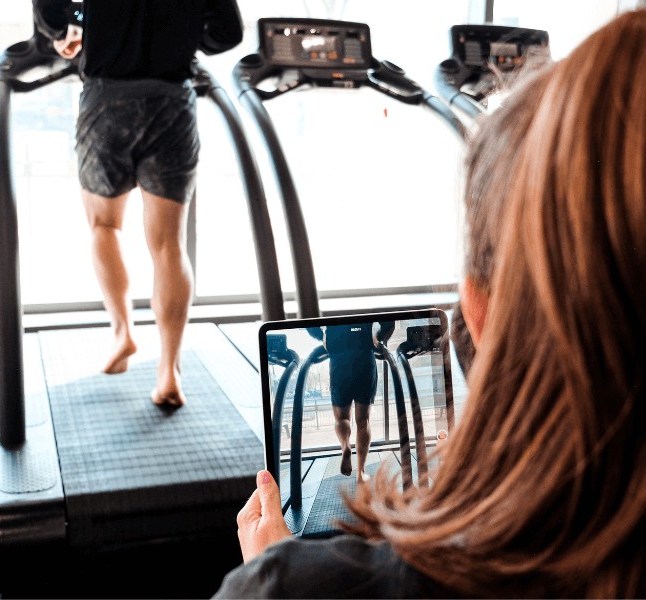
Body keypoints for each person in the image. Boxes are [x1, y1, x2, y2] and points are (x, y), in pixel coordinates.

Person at [213, 9, 646, 598]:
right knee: (355, 422)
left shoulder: (292, 587)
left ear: (479, 306)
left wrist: (277, 572)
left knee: (355, 422)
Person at [32, 0, 244, 407]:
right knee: (168, 244)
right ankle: (169, 374)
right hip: (171, 101)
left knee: (104, 226)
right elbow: (227, 33)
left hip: (106, 97)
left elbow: (50, 7)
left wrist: (67, 31)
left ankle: (123, 333)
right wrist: (179, 36)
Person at [307, 323, 381, 482]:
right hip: (364, 356)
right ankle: (360, 474)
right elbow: (389, 322)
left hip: (338, 356)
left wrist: (322, 336)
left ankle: (346, 446)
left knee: (341, 419)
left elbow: (310, 325)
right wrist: (377, 337)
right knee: (363, 420)